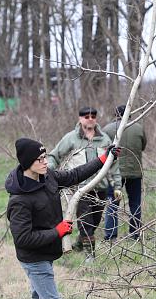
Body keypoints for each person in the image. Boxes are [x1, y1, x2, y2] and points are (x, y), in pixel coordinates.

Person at [5, 137, 120, 299]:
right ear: (27, 163)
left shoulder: (48, 177)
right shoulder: (19, 200)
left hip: (46, 254)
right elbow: (23, 238)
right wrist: (58, 232)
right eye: (39, 159)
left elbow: (74, 174)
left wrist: (103, 159)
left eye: (45, 157)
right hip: (34, 259)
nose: (45, 162)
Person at [47, 106, 122, 261]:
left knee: (94, 223)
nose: (90, 119)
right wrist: (47, 172)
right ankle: (90, 257)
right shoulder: (70, 138)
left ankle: (80, 244)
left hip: (100, 187)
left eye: (93, 116)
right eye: (86, 116)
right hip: (79, 188)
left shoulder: (105, 140)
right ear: (80, 118)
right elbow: (54, 156)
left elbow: (113, 163)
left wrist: (117, 186)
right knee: (86, 222)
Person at [103, 105, 147, 241]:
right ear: (130, 114)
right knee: (135, 203)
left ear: (115, 114)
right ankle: (135, 234)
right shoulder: (139, 128)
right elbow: (143, 146)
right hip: (135, 173)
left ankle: (111, 235)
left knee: (113, 203)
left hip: (115, 174)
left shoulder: (108, 129)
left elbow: (104, 151)